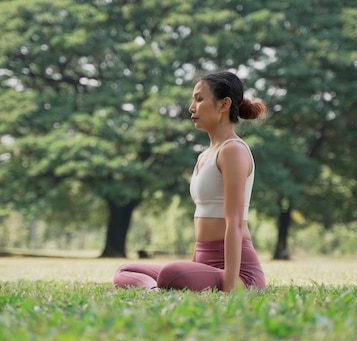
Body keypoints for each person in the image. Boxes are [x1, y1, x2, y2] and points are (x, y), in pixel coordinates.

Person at [113, 71, 267, 292]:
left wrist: (229, 286)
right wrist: (195, 269)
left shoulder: (233, 150)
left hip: (238, 273)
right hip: (205, 265)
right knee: (125, 271)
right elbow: (200, 220)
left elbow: (234, 223)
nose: (191, 107)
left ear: (224, 104)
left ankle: (167, 284)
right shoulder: (204, 156)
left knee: (172, 273)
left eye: (199, 99)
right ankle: (154, 289)